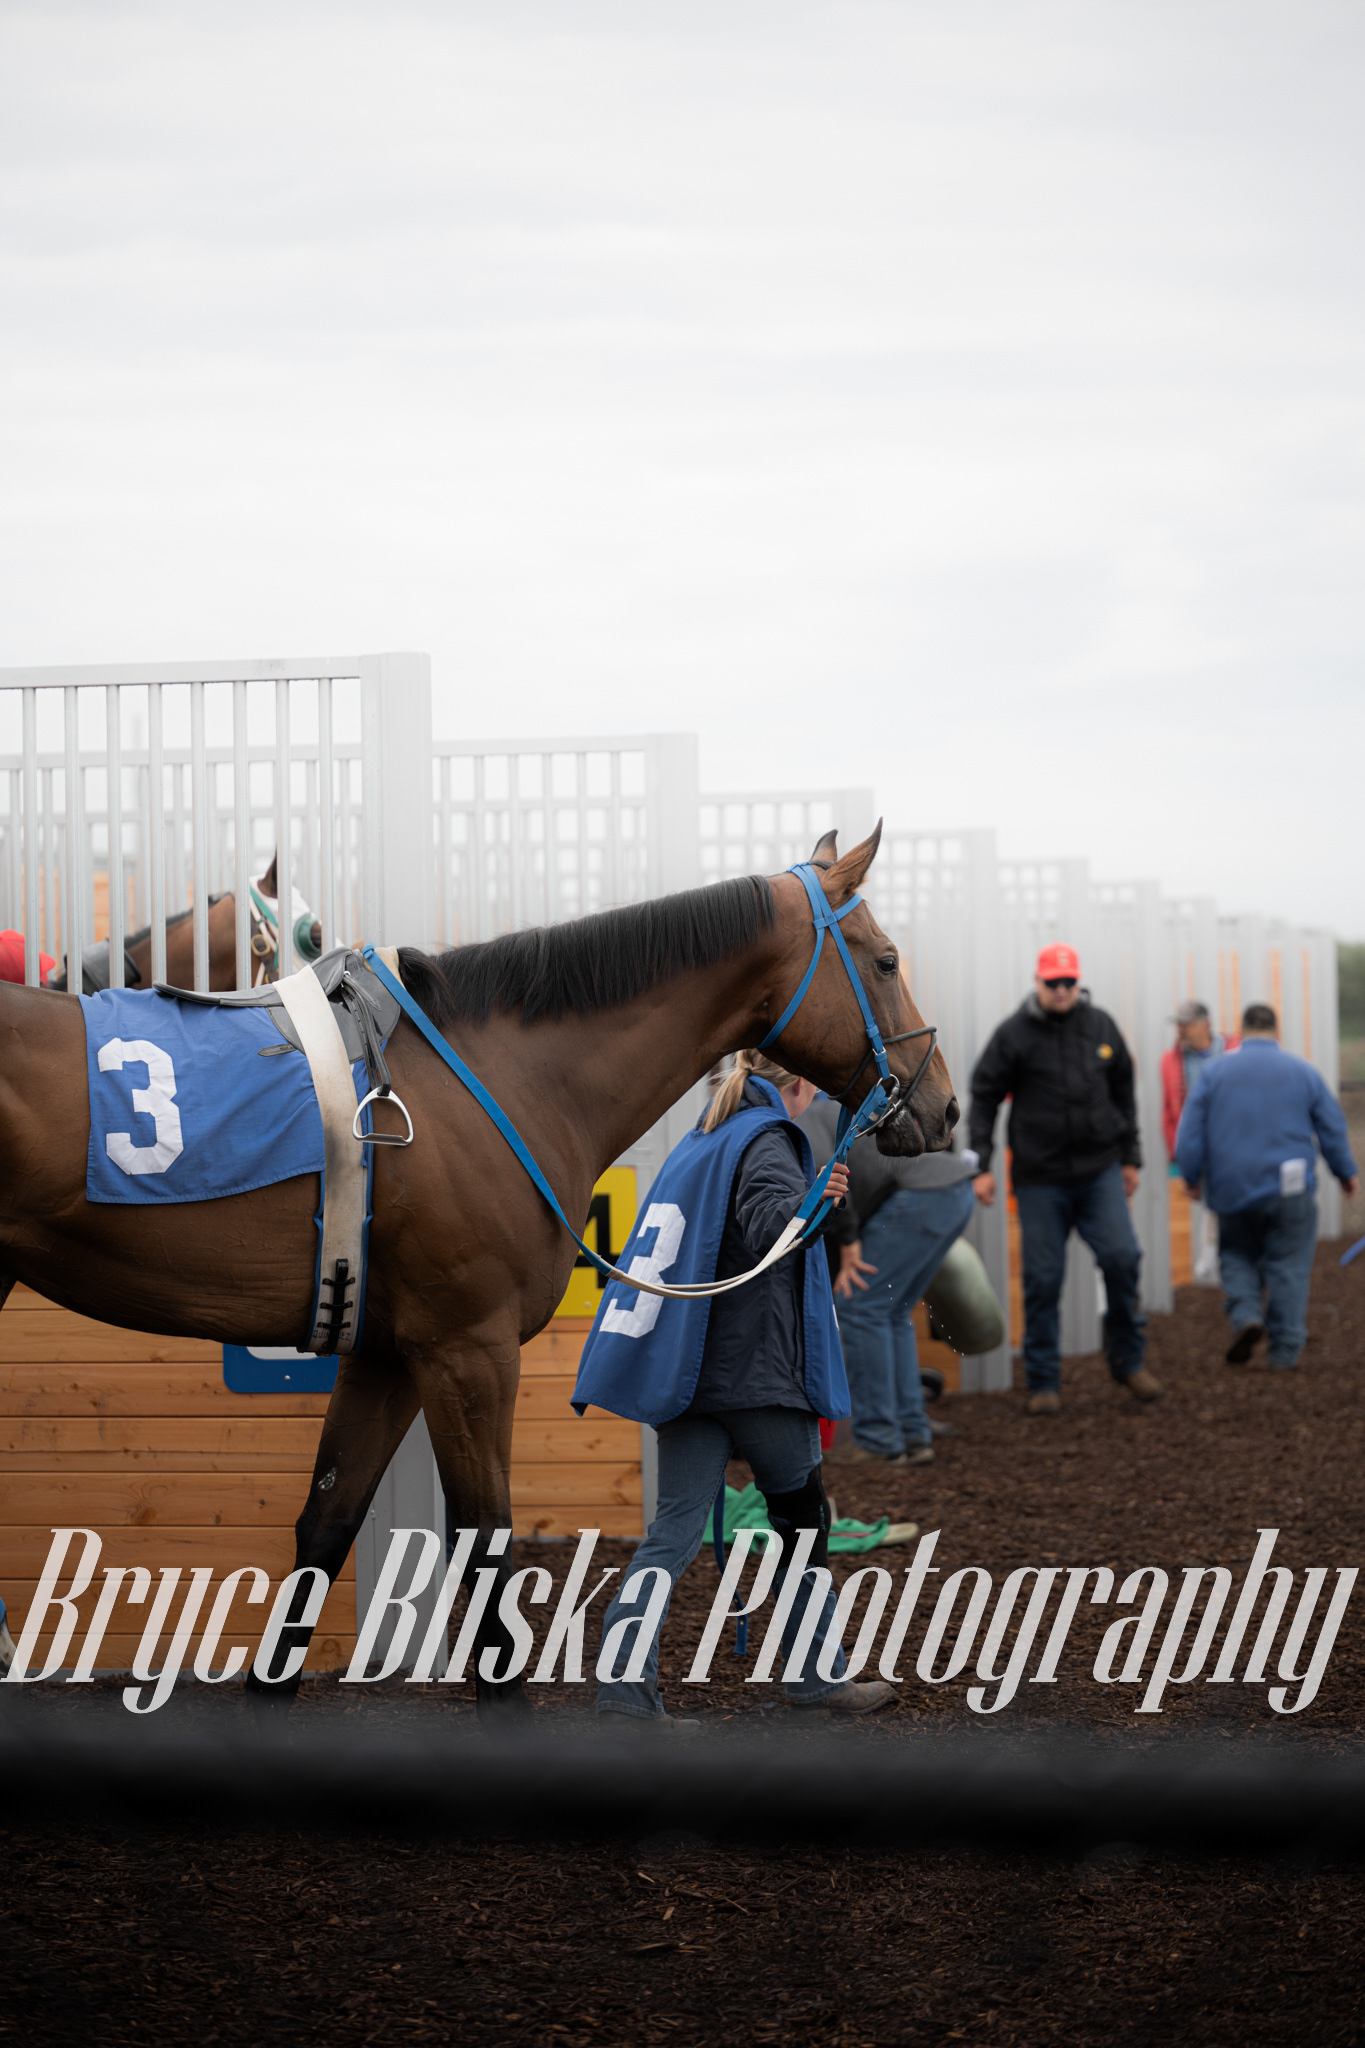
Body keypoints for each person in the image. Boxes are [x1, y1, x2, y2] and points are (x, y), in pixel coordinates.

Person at [574, 1047, 895, 1731]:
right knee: (802, 1525)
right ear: (798, 1083)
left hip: (687, 1376)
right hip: (758, 1376)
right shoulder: (770, 1135)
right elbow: (768, 1224)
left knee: (670, 1535)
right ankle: (817, 1678)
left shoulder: (701, 1139)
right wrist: (816, 1199)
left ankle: (623, 1693)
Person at [968, 941, 1162, 1415]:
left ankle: (1128, 1360)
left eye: (1068, 981)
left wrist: (1131, 1158)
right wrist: (981, 1166)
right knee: (1042, 1279)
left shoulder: (1101, 1026)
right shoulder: (1013, 1034)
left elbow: (1124, 1094)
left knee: (1123, 1258)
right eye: (1053, 982)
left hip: (1100, 1172)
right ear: (1038, 982)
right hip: (1040, 1179)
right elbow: (984, 1096)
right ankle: (1043, 1382)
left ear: (1078, 982)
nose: (1061, 989)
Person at [1176, 1002, 1359, 1372]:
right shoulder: (1303, 1072)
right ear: (1277, 1032)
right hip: (1289, 1188)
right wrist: (1345, 1173)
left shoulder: (1213, 1073)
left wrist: (1192, 1177)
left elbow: (1189, 1134)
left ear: (1241, 1032)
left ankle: (1246, 1314)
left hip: (1231, 1186)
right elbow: (1331, 1127)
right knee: (1288, 1265)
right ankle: (1284, 1352)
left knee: (1236, 1254)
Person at [799, 1094, 975, 1467]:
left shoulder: (805, 1116)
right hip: (952, 1189)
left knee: (860, 1308)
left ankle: (878, 1439)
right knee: (890, 1313)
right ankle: (911, 1433)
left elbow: (827, 1177)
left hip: (919, 1195)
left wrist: (849, 1240)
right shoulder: (832, 1109)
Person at [1161, 999, 1234, 1160]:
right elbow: (1168, 1112)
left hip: (1230, 1145)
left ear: (1206, 1025)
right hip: (1194, 1147)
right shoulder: (1171, 1061)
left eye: (1187, 1024)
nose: (1181, 1030)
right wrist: (1176, 1152)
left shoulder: (1232, 1052)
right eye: (1179, 1025)